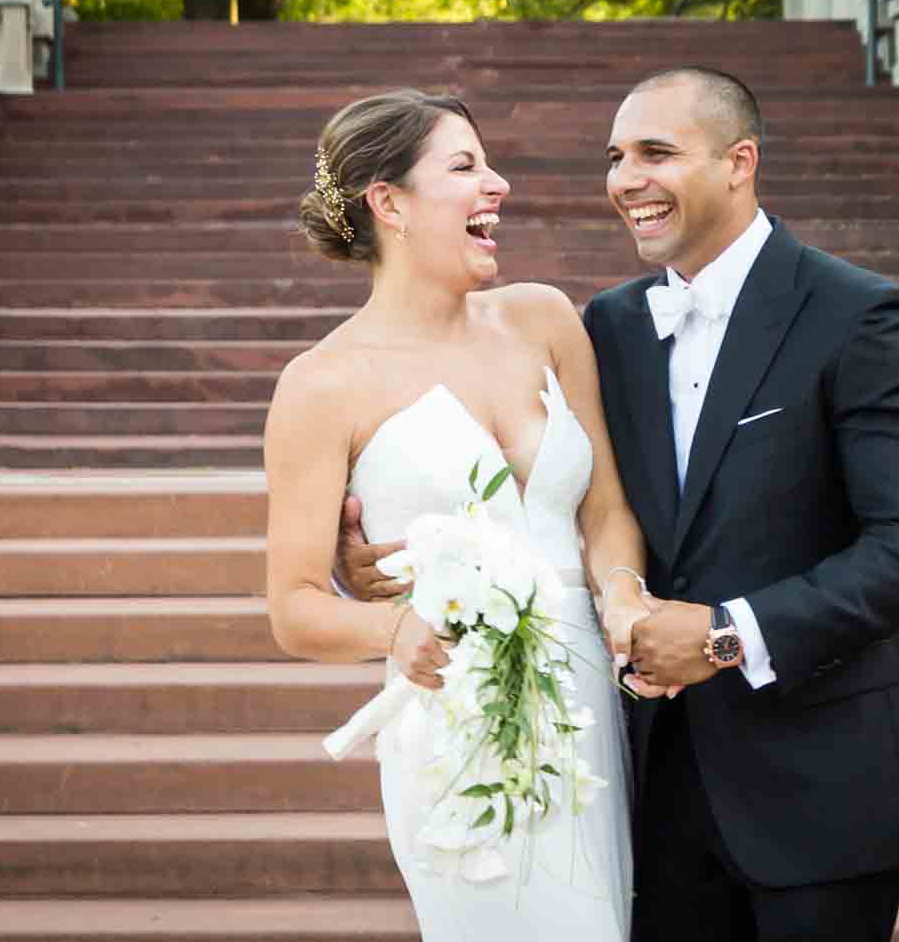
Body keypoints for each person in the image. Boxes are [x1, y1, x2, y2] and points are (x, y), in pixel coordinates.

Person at [337, 66, 899, 942]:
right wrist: (380, 555)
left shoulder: (862, 317)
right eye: (615, 156)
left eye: (656, 153)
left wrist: (727, 633)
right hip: (644, 787)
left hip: (823, 787)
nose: (625, 179)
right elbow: (573, 504)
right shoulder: (609, 327)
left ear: (740, 161)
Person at [264, 89, 652, 942]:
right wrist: (392, 626)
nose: (499, 185)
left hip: (586, 695)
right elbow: (293, 606)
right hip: (456, 717)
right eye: (466, 166)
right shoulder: (321, 383)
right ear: (389, 202)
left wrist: (623, 595)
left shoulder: (545, 319)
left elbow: (609, 511)